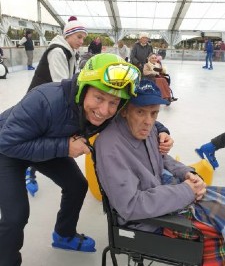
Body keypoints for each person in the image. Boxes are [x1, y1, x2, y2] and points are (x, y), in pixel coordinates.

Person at [0, 53, 174, 266]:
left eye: (114, 102)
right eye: (99, 98)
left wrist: (162, 131)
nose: (104, 111)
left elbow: (136, 115)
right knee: (15, 215)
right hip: (9, 149)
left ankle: (63, 235)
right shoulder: (44, 99)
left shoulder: (112, 111)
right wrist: (64, 146)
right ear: (83, 89)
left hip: (48, 142)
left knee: (77, 185)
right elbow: (6, 142)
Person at [95, 80, 225, 265]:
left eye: (154, 113)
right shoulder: (110, 147)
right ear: (124, 110)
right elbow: (130, 206)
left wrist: (187, 174)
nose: (148, 121)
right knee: (217, 233)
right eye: (140, 112)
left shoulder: (148, 129)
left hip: (164, 196)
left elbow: (161, 157)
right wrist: (187, 191)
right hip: (146, 222)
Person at [25, 18, 88, 195]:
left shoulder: (69, 52)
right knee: (37, 137)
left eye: (83, 38)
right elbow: (61, 82)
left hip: (48, 101)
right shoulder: (58, 51)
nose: (82, 41)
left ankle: (31, 166)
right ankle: (28, 167)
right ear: (68, 35)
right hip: (40, 103)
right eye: (79, 37)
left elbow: (72, 79)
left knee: (44, 137)